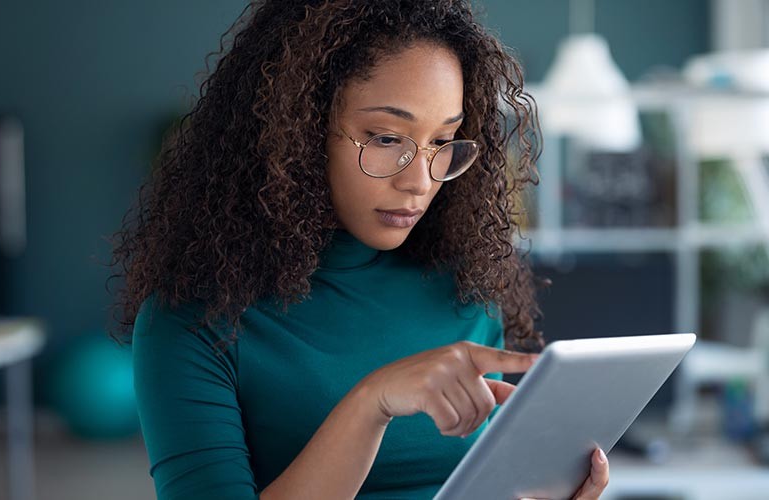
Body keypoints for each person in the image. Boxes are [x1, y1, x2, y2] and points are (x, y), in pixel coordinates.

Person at [107, 1, 610, 498]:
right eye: (388, 138)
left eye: (442, 142)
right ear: (300, 130)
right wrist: (373, 402)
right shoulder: (195, 321)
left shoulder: (465, 290)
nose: (419, 181)